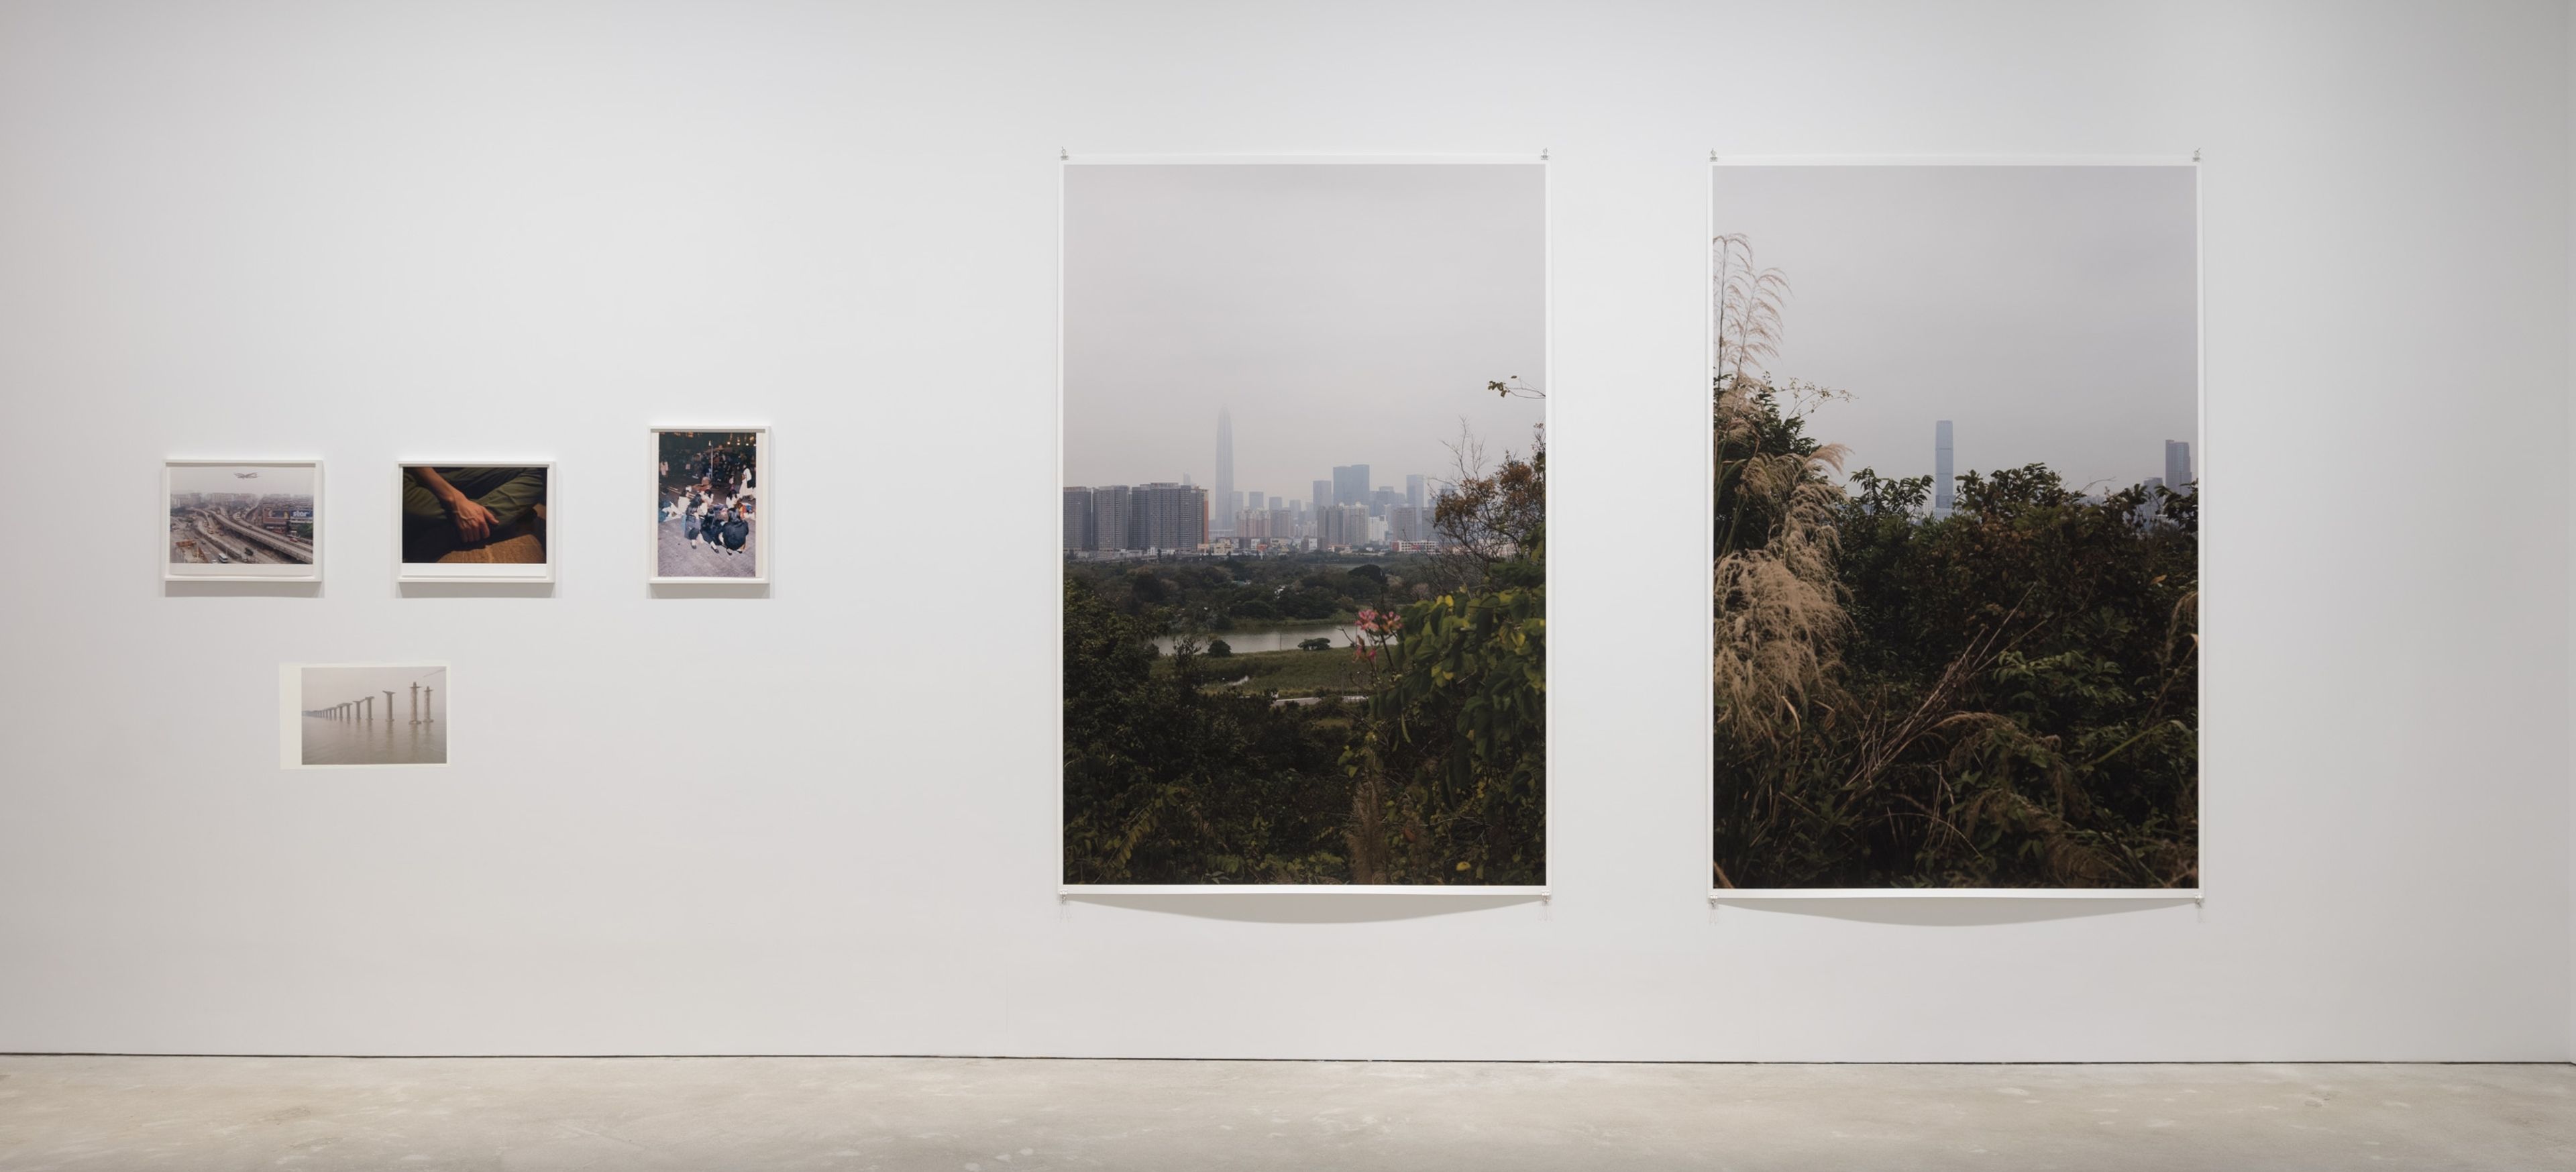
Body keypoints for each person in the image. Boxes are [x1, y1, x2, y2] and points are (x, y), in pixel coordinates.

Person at [401, 466, 546, 563]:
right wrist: (455, 500)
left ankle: (453, 532)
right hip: (410, 473)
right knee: (409, 507)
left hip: (455, 468)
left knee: (541, 473)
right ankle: (503, 514)